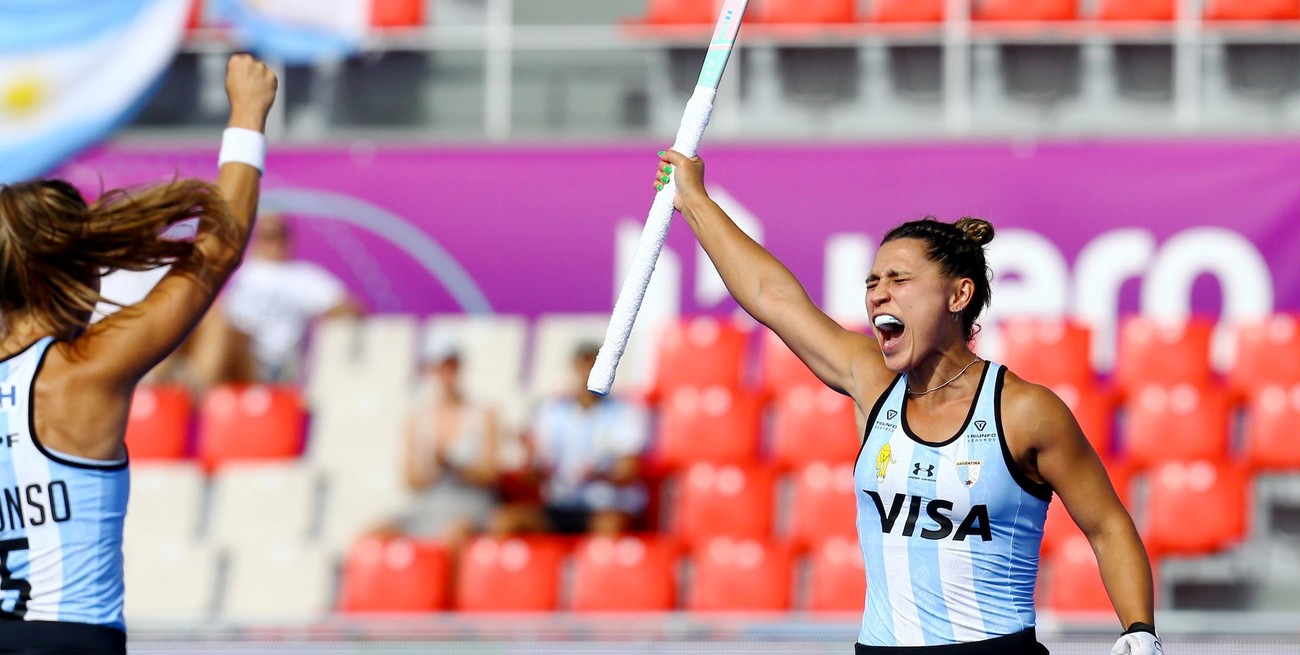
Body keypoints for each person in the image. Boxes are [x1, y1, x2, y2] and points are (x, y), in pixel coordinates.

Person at [653, 151, 1162, 655]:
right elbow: (772, 296)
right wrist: (694, 199)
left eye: (898, 279)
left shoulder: (1026, 410)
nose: (878, 294)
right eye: (872, 283)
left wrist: (1138, 629)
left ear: (958, 296)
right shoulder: (872, 383)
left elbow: (1108, 526)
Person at [0, 55, 277, 653]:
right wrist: (248, 114)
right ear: (81, 270)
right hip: (68, 640)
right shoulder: (80, 373)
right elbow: (216, 253)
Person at [496, 343, 650, 536]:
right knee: (507, 521)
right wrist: (531, 460)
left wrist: (598, 474)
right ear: (575, 367)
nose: (589, 372)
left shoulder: (624, 412)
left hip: (605, 504)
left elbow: (627, 471)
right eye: (584, 364)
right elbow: (532, 475)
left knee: (608, 526)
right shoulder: (551, 412)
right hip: (560, 504)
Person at [216, 212, 364, 383]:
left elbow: (352, 308)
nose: (274, 242)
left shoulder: (302, 276)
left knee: (222, 330)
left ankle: (195, 390)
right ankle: (194, 388)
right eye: (266, 236)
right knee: (212, 325)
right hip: (230, 349)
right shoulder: (241, 271)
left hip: (268, 361)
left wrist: (326, 315)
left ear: (288, 237)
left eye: (278, 234)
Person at [388, 335, 502, 548]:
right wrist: (435, 468)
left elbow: (490, 474)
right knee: (374, 535)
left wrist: (453, 464)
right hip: (428, 504)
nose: (447, 372)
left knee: (454, 534)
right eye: (441, 366)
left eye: (452, 364)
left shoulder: (484, 414)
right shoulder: (417, 418)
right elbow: (411, 480)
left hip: (470, 504)